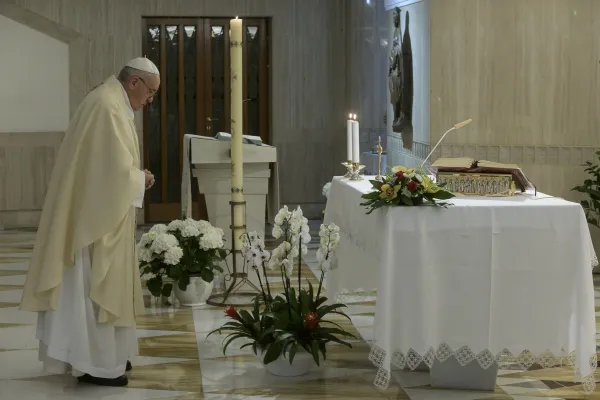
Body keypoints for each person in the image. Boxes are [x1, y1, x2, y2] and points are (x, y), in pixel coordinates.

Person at [19, 57, 160, 387]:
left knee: (100, 286)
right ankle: (96, 363)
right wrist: (139, 179)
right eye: (150, 92)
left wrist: (136, 179)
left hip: (97, 215)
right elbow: (105, 172)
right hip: (93, 225)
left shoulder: (111, 100)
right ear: (134, 82)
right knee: (94, 287)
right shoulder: (106, 106)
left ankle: (105, 356)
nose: (150, 100)